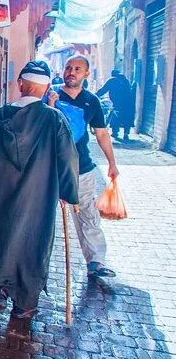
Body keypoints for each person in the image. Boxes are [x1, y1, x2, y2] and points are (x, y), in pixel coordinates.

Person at [0, 61, 79, 319]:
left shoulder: (1, 115)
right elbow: (68, 158)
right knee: (32, 242)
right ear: (46, 88)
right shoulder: (53, 119)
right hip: (38, 195)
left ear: (20, 84)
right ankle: (24, 304)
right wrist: (68, 192)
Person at [48, 55, 119, 279]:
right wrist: (50, 105)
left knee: (88, 214)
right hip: (50, 168)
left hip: (82, 168)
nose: (71, 72)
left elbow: (101, 133)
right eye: (68, 67)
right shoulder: (50, 95)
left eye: (77, 69)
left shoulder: (91, 101)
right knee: (42, 216)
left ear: (86, 74)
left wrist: (112, 162)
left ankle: (96, 261)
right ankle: (34, 266)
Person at [96, 69, 135, 141]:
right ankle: (126, 134)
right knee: (126, 117)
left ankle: (115, 132)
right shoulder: (125, 80)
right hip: (128, 102)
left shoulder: (112, 80)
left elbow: (103, 90)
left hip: (117, 102)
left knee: (115, 116)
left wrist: (95, 96)